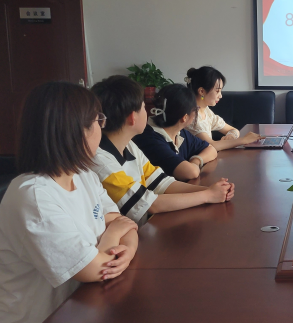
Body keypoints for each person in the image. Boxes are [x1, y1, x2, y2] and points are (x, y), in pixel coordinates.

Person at [0, 82, 139, 323]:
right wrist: (114, 236)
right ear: (75, 131)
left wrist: (123, 246)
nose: (102, 128)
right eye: (98, 120)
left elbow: (124, 223)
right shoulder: (34, 196)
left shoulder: (84, 176)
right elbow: (95, 268)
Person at [91, 76, 234, 226]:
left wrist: (211, 190)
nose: (149, 113)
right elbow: (149, 204)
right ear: (132, 118)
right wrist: (207, 195)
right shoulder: (102, 162)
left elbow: (162, 183)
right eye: (143, 107)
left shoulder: (129, 146)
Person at [133, 83, 219, 181]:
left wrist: (196, 160)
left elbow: (211, 150)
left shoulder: (180, 133)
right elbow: (191, 173)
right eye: (195, 109)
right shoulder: (149, 139)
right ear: (185, 117)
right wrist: (194, 165)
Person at [184, 66, 262, 151]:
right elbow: (211, 146)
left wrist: (231, 136)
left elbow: (233, 129)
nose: (220, 96)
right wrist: (244, 140)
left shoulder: (206, 112)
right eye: (217, 91)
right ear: (202, 91)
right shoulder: (192, 116)